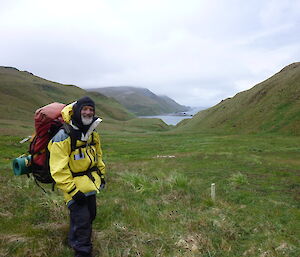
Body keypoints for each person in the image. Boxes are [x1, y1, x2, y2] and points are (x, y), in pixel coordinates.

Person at [48, 96, 106, 257]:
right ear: (77, 111)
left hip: (90, 184)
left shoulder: (93, 134)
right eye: (84, 109)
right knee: (83, 222)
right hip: (73, 187)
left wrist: (101, 174)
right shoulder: (63, 136)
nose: (88, 112)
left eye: (91, 110)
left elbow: (98, 156)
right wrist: (72, 191)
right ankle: (83, 252)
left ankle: (73, 240)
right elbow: (58, 169)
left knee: (90, 216)